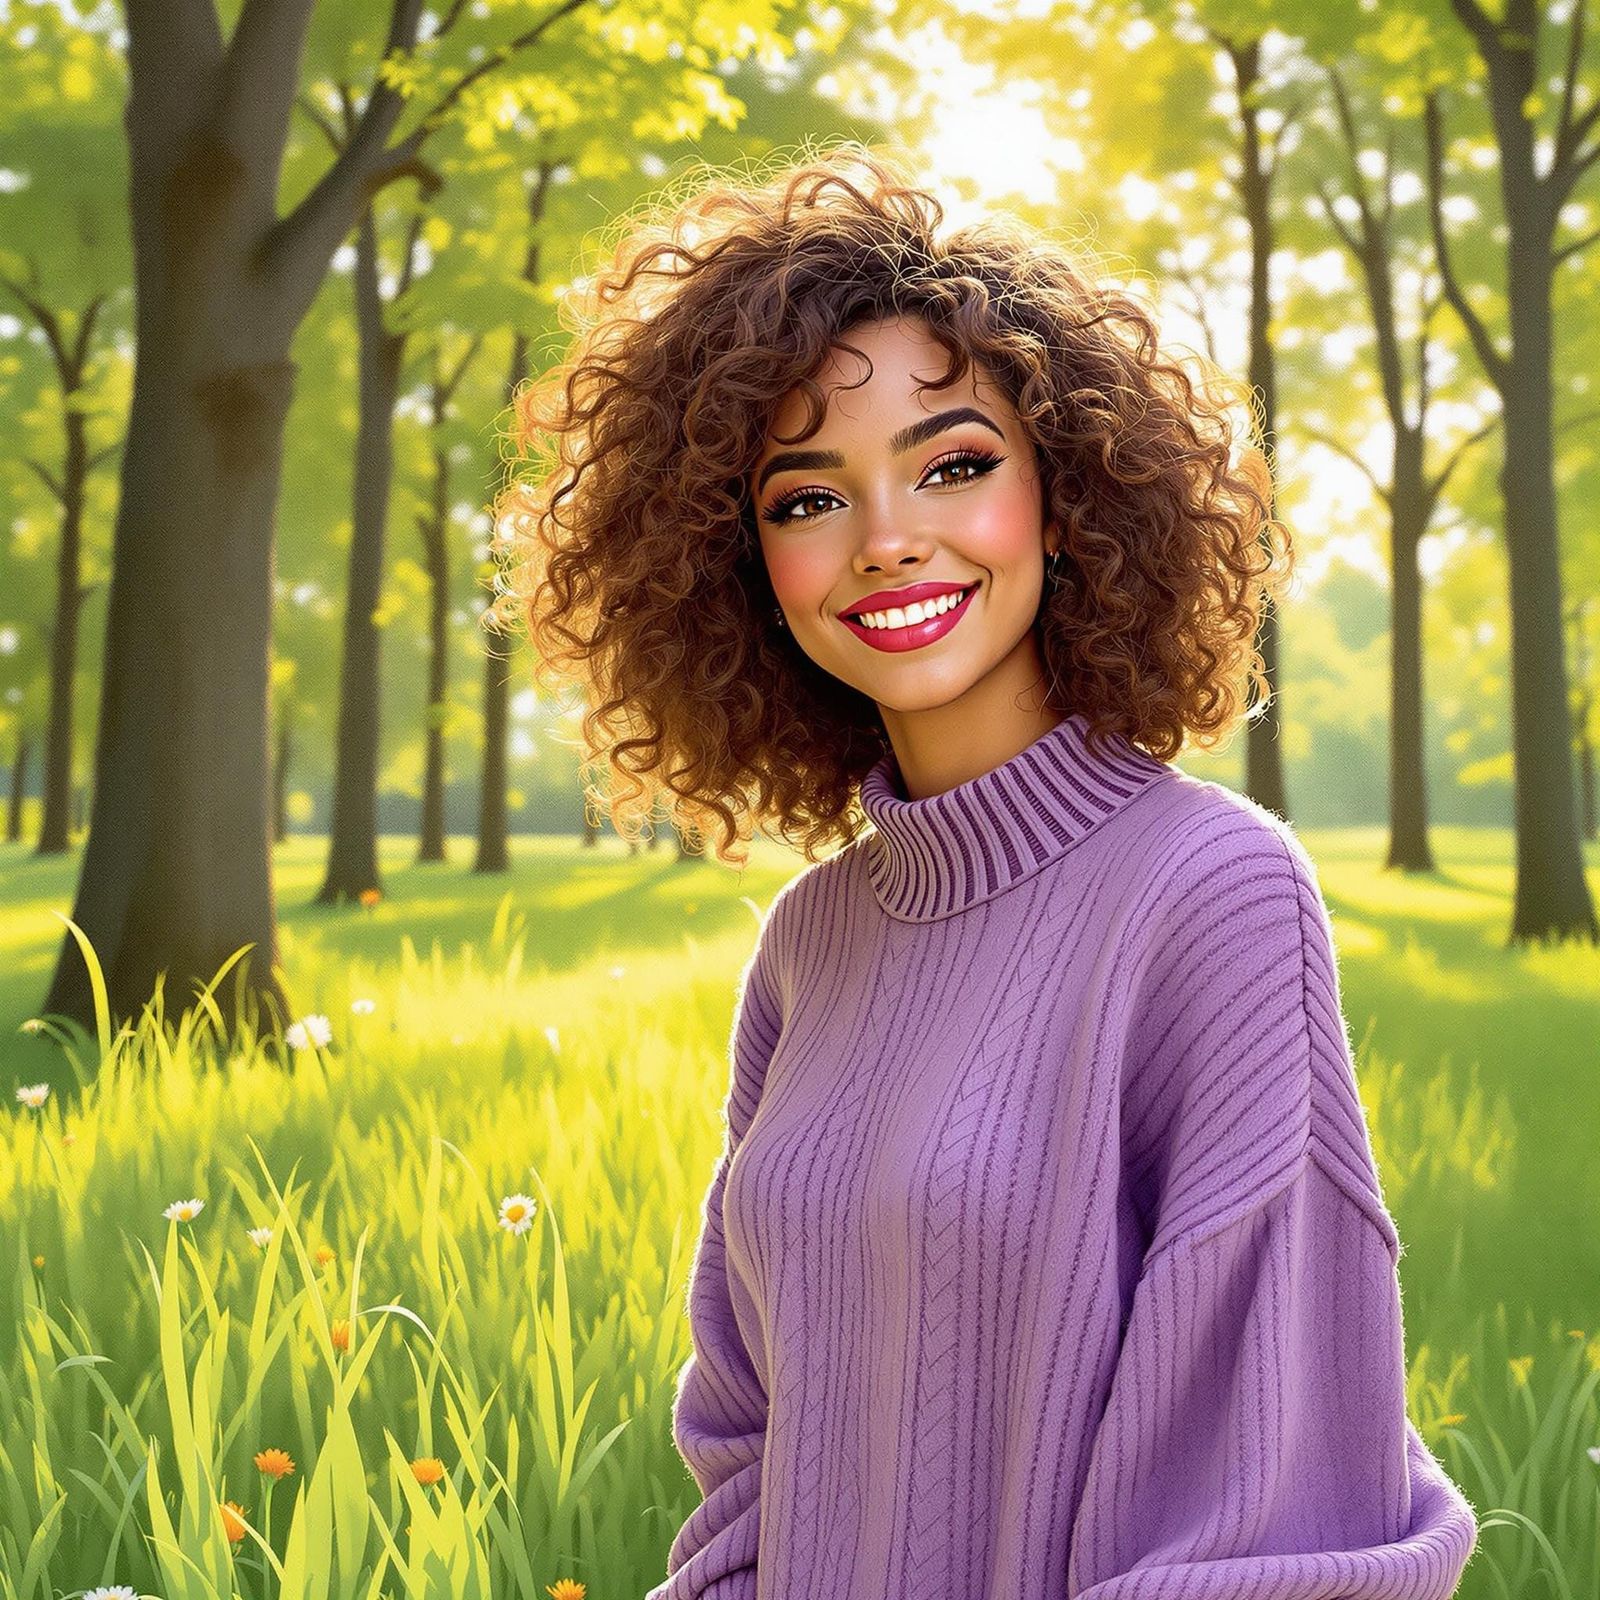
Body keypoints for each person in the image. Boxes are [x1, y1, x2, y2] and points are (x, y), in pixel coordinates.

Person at [489, 142, 1479, 1600]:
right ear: (737, 559)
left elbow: (1267, 1490)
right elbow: (750, 1448)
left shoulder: (1212, 893)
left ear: (1067, 496)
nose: (889, 541)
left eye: (953, 464)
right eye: (806, 498)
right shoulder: (812, 942)